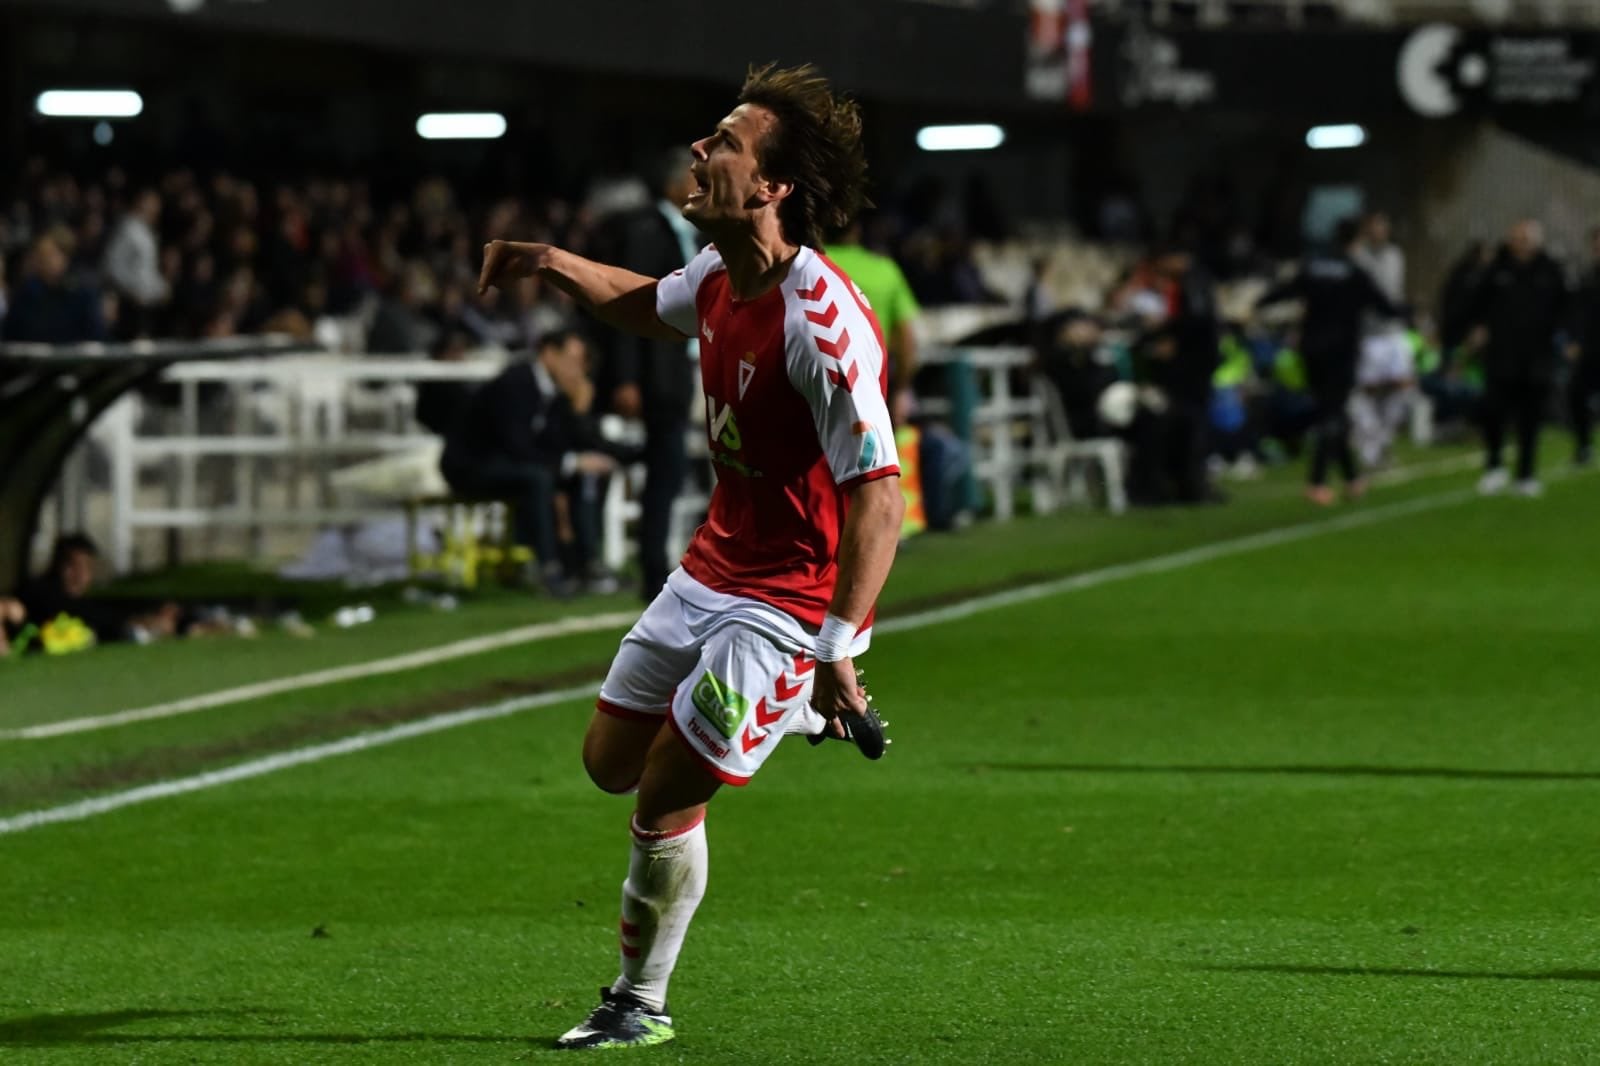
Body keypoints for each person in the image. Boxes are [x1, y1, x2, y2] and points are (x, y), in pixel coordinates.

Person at [477, 62, 902, 1050]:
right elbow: (645, 302)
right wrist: (552, 262)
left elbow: (879, 496)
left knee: (669, 783)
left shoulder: (820, 324)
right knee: (607, 762)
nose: (700, 153)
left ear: (770, 187)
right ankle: (788, 707)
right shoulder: (717, 274)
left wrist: (838, 641)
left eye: (723, 143)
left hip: (787, 602)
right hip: (709, 570)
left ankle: (637, 1001)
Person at [589, 150, 703, 601]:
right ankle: (653, 569)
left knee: (669, 470)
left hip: (673, 367)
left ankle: (657, 566)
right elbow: (633, 303)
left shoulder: (676, 229)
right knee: (665, 469)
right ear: (673, 185)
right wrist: (628, 379)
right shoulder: (646, 231)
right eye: (693, 181)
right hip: (656, 372)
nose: (699, 189)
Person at [440, 329, 618, 596]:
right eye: (573, 361)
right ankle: (548, 569)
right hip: (472, 464)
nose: (578, 370)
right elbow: (516, 446)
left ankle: (586, 563)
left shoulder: (556, 392)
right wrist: (570, 462)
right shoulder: (516, 381)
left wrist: (579, 411)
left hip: (515, 463)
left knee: (589, 474)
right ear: (548, 354)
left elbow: (569, 444)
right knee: (540, 478)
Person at [1257, 218, 1401, 505]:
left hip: (1311, 350)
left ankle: (1351, 477)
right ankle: (1317, 481)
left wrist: (1258, 303)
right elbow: (1385, 306)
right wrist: (1405, 312)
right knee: (1332, 415)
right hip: (1341, 352)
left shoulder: (1314, 266)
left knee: (1329, 411)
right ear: (1356, 240)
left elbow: (1284, 290)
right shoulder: (1355, 272)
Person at [1467, 219, 1571, 497]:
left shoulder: (1550, 271)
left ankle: (1526, 474)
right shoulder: (1497, 270)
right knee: (1494, 412)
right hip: (1501, 355)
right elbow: (1476, 303)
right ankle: (1494, 467)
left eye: (1526, 239)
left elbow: (1565, 309)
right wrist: (1477, 328)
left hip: (1537, 357)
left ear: (1537, 241)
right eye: (1517, 238)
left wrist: (1564, 340)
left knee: (1530, 418)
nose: (1521, 243)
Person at [1349, 211, 1414, 469]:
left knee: (1403, 387)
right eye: (1374, 228)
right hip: (1368, 334)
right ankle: (1371, 448)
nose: (1379, 232)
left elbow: (1387, 288)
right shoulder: (1357, 255)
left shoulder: (1394, 255)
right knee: (1367, 392)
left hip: (1393, 331)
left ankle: (1382, 439)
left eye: (1382, 227)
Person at [2, 232, 107, 343]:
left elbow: (95, 335)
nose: (44, 261)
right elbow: (11, 333)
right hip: (31, 357)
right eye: (40, 256)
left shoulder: (82, 293)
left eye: (50, 255)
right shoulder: (26, 292)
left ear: (65, 257)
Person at [101, 189, 169, 339]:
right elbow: (113, 266)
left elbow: (146, 269)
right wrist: (132, 291)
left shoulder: (146, 231)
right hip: (130, 306)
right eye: (152, 204)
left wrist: (161, 288)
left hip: (148, 305)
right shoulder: (128, 229)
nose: (156, 209)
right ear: (141, 204)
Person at [1567, 225, 1600, 467]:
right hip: (1591, 348)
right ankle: (1584, 446)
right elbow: (1578, 313)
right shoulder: (1587, 276)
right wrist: (1574, 340)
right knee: (1576, 394)